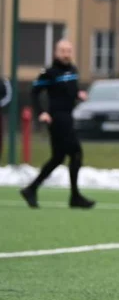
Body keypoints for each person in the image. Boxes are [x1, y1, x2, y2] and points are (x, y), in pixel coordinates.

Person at [20, 39, 95, 209]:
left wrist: (79, 95)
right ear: (56, 52)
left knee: (57, 158)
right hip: (56, 119)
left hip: (68, 117)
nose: (66, 54)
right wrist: (42, 112)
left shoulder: (72, 70)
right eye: (62, 51)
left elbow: (71, 91)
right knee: (76, 152)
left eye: (68, 50)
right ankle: (75, 197)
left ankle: (31, 189)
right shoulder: (49, 72)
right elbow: (34, 93)